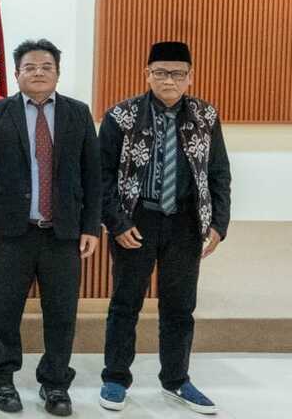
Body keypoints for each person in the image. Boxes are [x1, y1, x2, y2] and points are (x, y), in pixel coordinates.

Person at [98, 41, 231, 416]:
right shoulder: (121, 116)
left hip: (186, 224)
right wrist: (117, 222)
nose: (168, 80)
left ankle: (176, 379)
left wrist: (219, 223)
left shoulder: (206, 116)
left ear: (190, 77)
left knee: (180, 306)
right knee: (125, 303)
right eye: (160, 72)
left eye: (177, 73)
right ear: (147, 74)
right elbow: (101, 176)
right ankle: (115, 377)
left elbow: (219, 172)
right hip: (136, 222)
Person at [0, 39, 101, 416]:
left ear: (58, 73)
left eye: (47, 66)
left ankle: (56, 382)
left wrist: (90, 226)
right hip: (11, 232)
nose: (39, 73)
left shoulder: (78, 113)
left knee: (61, 312)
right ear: (16, 74)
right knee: (2, 310)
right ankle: (2, 378)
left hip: (62, 232)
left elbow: (93, 175)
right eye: (30, 67)